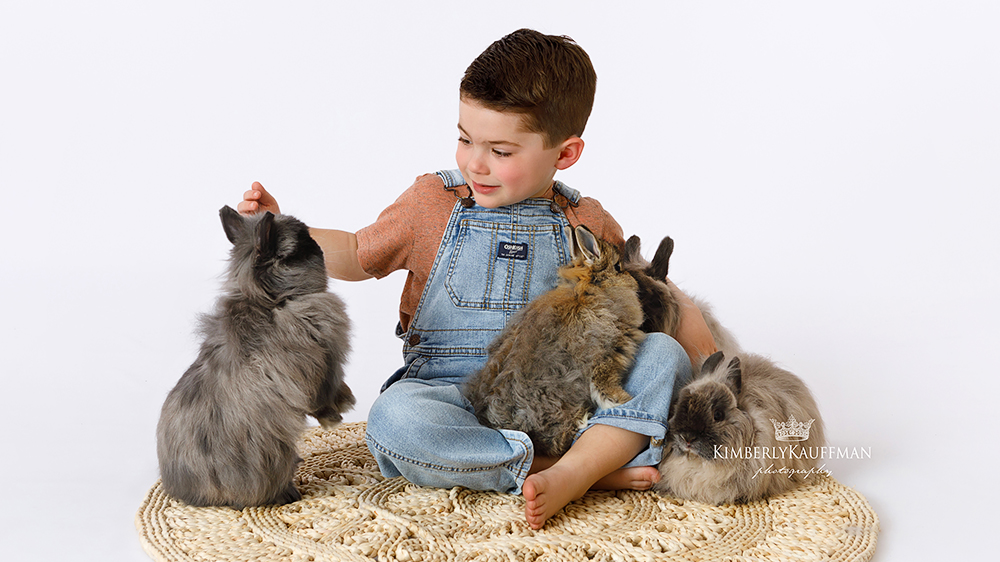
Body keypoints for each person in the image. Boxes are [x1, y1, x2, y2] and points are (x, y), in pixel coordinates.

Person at [239, 28, 717, 529]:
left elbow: (640, 284)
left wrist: (694, 334)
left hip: (563, 391)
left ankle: (572, 465)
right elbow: (358, 253)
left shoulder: (586, 219)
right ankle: (570, 468)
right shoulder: (432, 202)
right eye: (465, 139)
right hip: (453, 392)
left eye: (501, 151)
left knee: (662, 356)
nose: (475, 162)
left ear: (565, 153)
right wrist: (284, 231)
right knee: (394, 420)